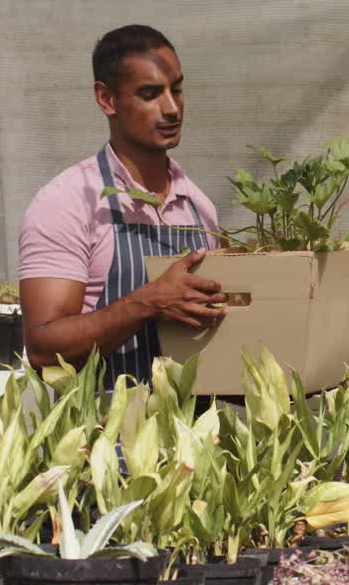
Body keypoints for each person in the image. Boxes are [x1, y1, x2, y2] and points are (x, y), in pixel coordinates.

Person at [18, 24, 226, 384]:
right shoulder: (69, 202)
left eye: (176, 89)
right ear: (107, 99)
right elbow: (42, 348)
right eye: (150, 94)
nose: (172, 108)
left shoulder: (198, 207)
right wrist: (147, 303)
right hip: (99, 432)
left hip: (191, 432)